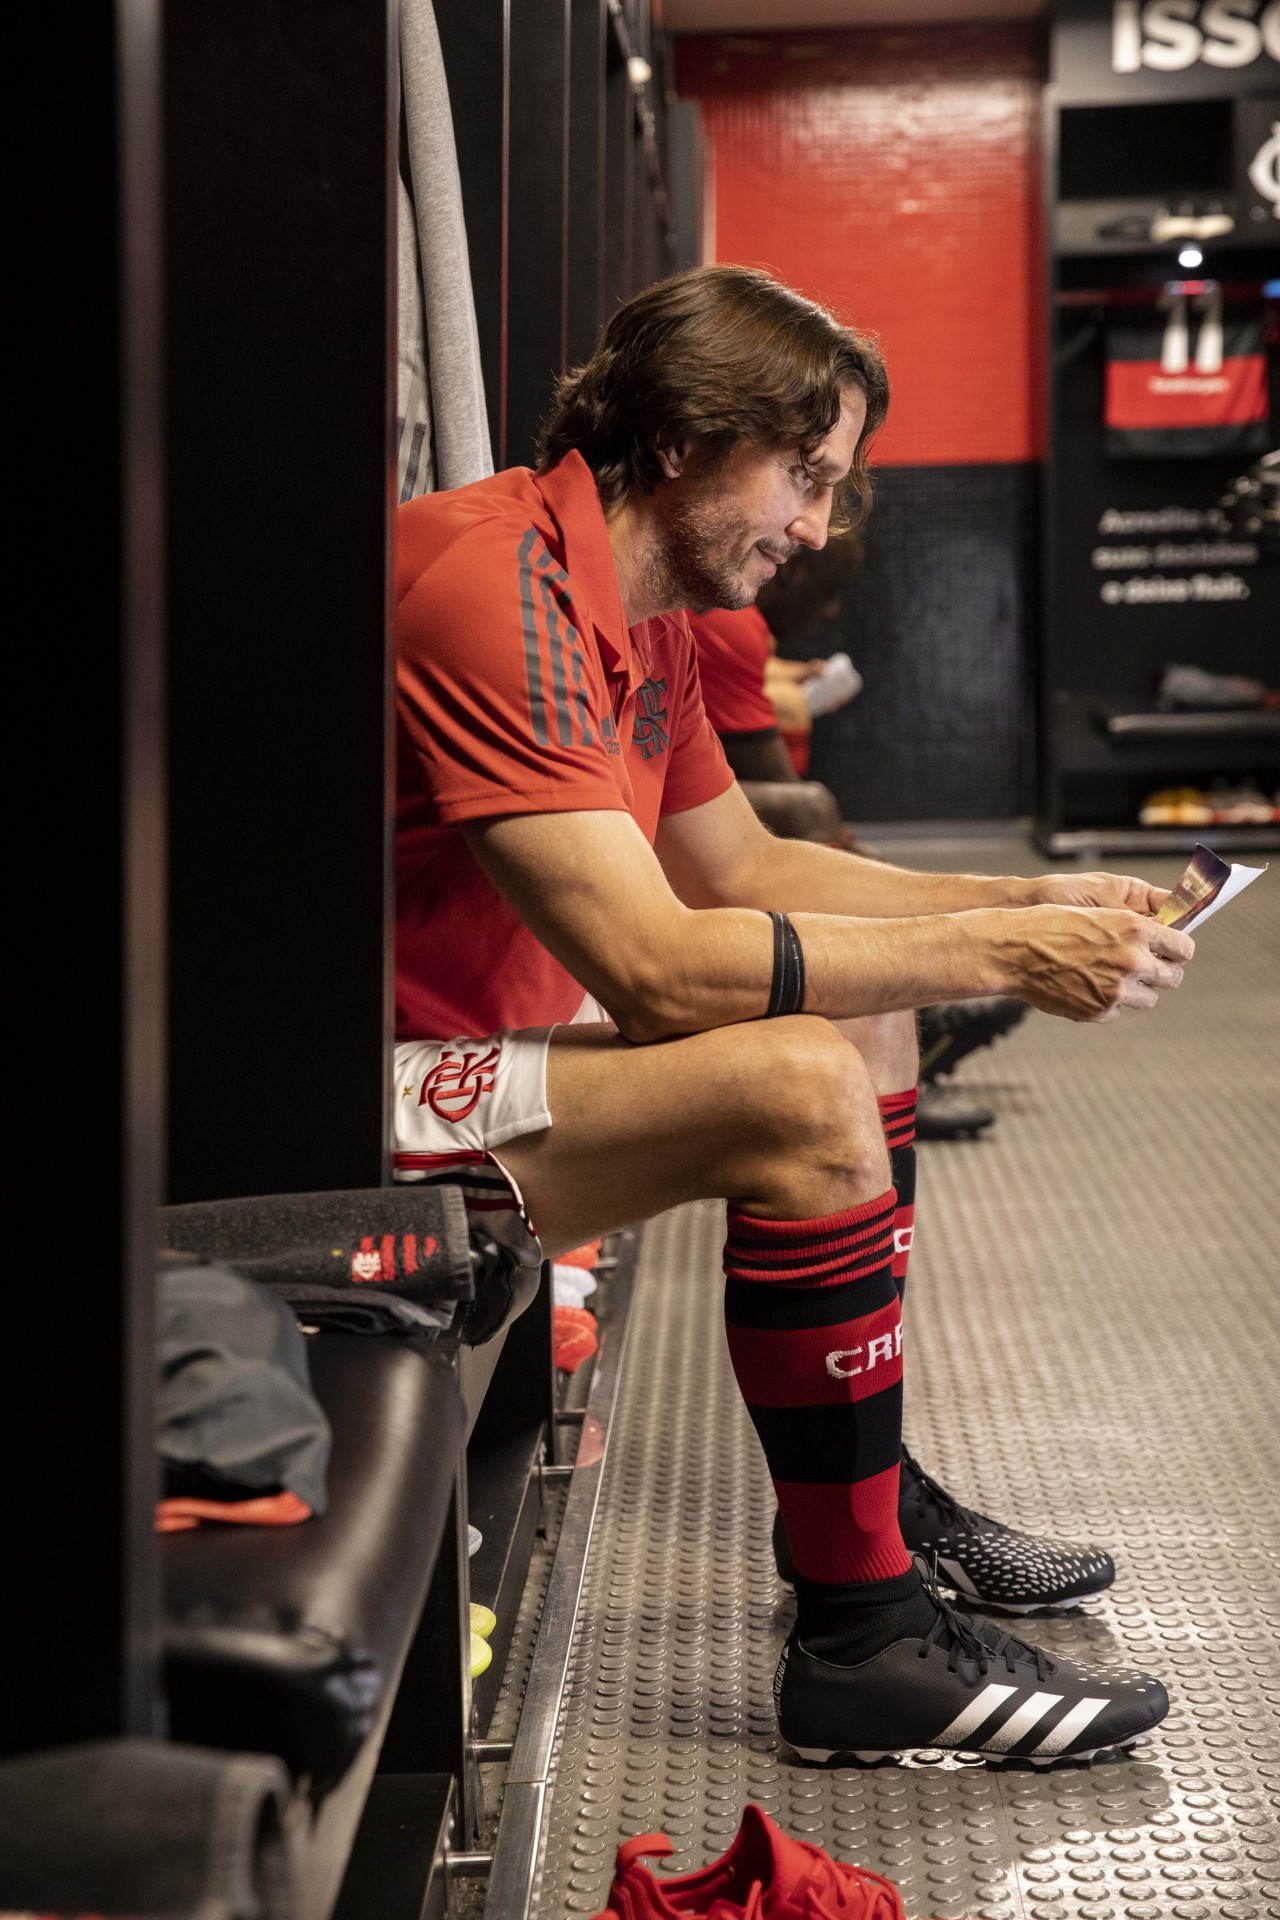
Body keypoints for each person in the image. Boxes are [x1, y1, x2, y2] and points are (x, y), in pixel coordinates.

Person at [393, 265, 1192, 1765]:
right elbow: (654, 965)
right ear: (691, 436)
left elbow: (747, 867)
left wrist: (1031, 903)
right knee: (799, 1088)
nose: (819, 526)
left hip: (477, 1053)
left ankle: (864, 1504)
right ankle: (864, 1642)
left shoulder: (646, 610)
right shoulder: (490, 579)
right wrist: (1007, 961)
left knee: (867, 1030)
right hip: (336, 1094)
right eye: (806, 474)